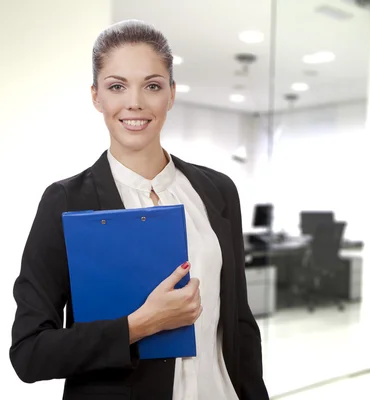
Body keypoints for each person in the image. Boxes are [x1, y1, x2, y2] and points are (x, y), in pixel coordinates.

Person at [9, 19, 269, 400]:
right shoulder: (65, 202)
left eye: (152, 85)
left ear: (171, 94)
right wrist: (137, 326)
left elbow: (240, 326)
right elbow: (29, 354)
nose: (135, 102)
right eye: (117, 86)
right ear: (97, 97)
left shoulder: (217, 191)